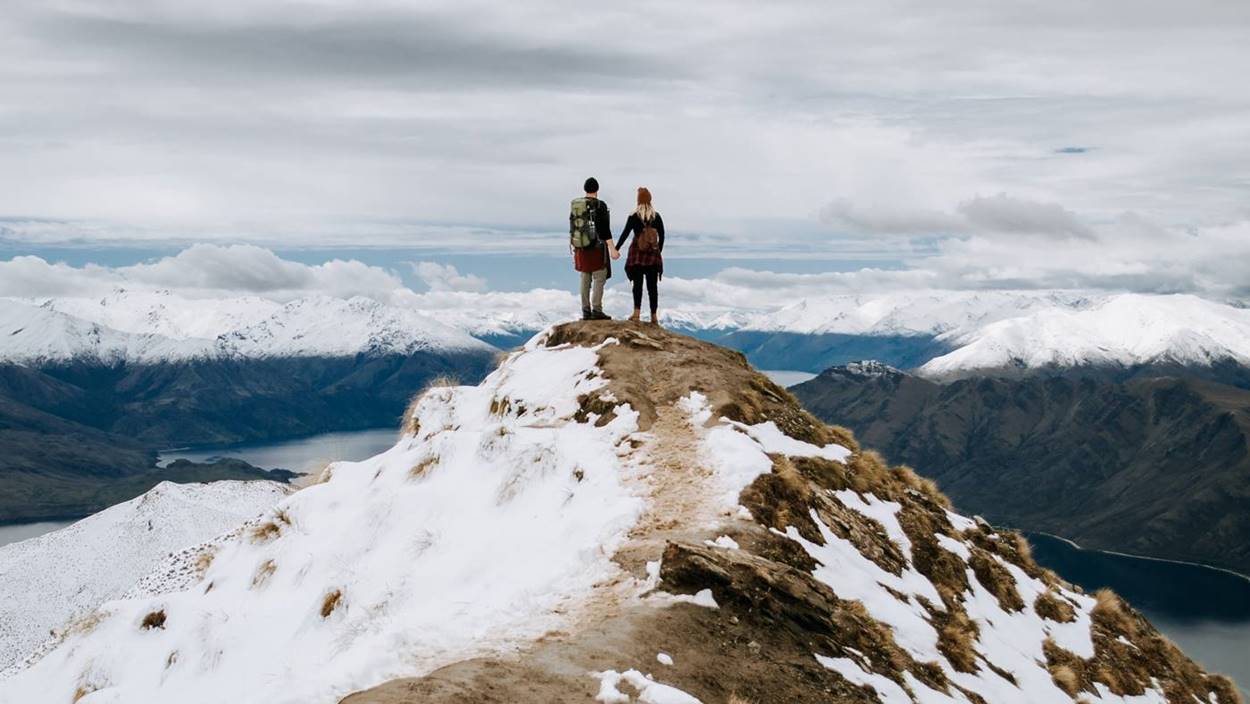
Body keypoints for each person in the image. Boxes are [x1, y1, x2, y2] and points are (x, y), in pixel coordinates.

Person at [569, 177, 619, 320]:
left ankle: (585, 310)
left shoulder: (576, 206)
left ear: (585, 189)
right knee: (599, 276)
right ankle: (596, 309)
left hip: (581, 248)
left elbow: (573, 227)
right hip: (596, 248)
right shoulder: (600, 205)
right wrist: (612, 249)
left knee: (585, 277)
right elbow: (605, 230)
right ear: (597, 190)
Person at [615, 187, 665, 324]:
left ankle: (636, 313)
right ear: (650, 200)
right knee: (652, 287)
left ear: (638, 200)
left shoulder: (633, 216)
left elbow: (625, 234)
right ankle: (654, 316)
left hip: (637, 255)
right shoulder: (656, 216)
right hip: (652, 255)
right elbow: (662, 235)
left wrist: (616, 249)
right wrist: (658, 251)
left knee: (637, 285)